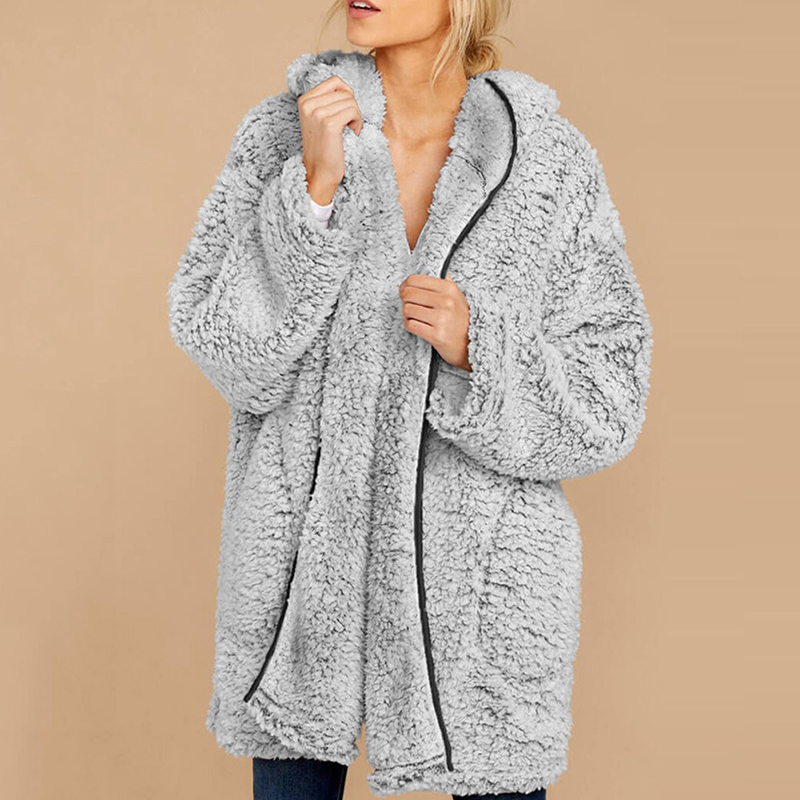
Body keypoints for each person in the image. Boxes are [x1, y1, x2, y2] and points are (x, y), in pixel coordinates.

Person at [167, 1, 653, 799]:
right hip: (300, 595)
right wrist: (312, 194)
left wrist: (479, 348)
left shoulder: (548, 163)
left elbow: (610, 398)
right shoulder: (284, 135)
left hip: (485, 606)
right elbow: (229, 352)